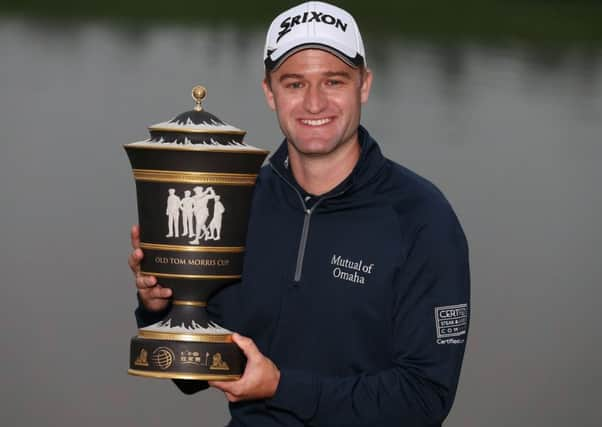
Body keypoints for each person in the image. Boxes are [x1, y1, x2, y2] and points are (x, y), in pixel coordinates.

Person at [128, 1, 470, 426]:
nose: (313, 103)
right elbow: (194, 376)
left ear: (364, 84)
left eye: (333, 80)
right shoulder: (236, 201)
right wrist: (160, 305)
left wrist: (281, 386)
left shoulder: (422, 218)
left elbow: (424, 401)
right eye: (294, 84)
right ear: (269, 92)